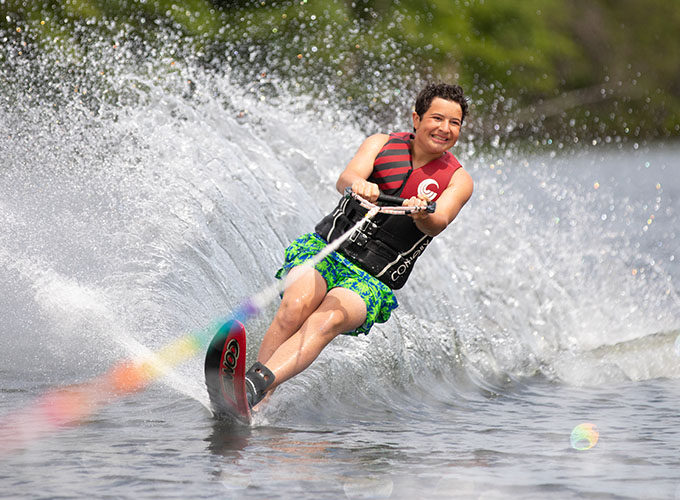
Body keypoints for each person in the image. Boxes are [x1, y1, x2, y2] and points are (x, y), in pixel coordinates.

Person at [243, 83, 474, 407]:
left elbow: (440, 220)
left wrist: (422, 212)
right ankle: (254, 401)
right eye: (438, 118)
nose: (445, 129)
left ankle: (254, 387)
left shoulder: (458, 180)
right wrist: (360, 185)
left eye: (455, 123)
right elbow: (346, 178)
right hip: (328, 250)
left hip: (370, 279)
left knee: (326, 321)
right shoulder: (380, 144)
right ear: (416, 118)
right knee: (296, 305)